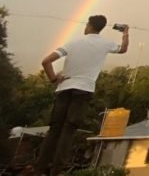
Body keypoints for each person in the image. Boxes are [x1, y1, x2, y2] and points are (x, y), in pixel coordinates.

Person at [36, 15, 129, 175]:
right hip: (83, 90)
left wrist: (53, 78)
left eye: (86, 24)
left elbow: (46, 61)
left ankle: (38, 169)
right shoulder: (105, 44)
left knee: (54, 130)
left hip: (63, 89)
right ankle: (57, 171)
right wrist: (126, 33)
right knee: (69, 130)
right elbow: (123, 49)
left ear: (90, 25)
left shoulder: (73, 42)